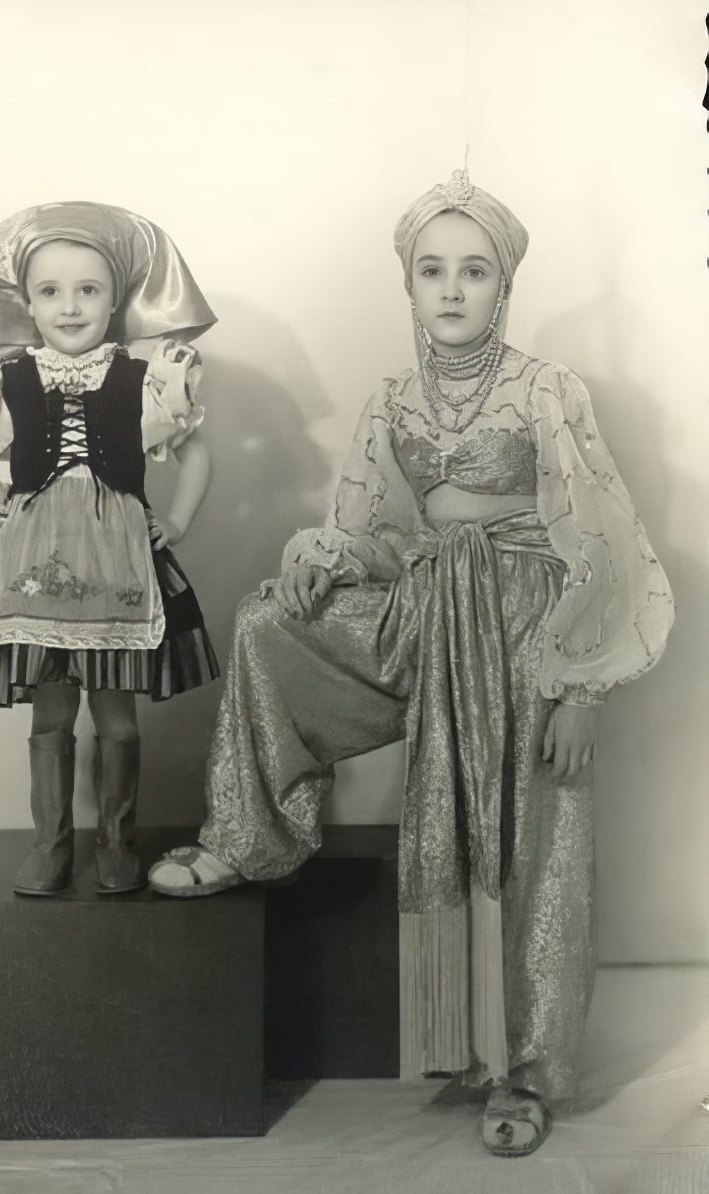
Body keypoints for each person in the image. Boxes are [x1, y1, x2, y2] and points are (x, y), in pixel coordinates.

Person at [148, 171, 674, 1155]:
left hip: (530, 627)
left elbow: (601, 535)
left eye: (473, 271)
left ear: (503, 284)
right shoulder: (394, 398)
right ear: (408, 284)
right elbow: (371, 526)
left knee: (531, 845)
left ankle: (523, 1071)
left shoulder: (547, 389)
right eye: (431, 270)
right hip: (429, 613)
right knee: (268, 621)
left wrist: (583, 684)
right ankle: (248, 835)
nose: (451, 289)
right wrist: (328, 556)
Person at [0, 201, 219, 897]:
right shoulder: (6, 382)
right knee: (53, 711)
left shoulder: (141, 380)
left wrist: (176, 524)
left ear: (114, 300)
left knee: (117, 716)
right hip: (37, 567)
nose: (70, 307)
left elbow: (196, 453)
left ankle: (118, 843)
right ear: (26, 304)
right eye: (51, 292)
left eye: (88, 291)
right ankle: (51, 846)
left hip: (119, 563)